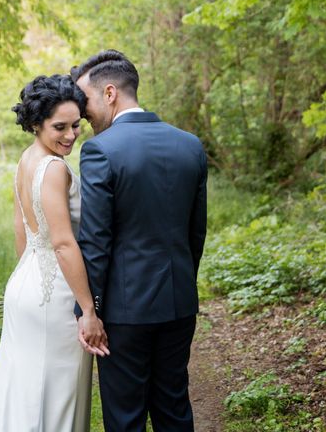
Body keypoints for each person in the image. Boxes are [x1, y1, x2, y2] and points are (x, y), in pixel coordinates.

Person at [72, 50, 208, 432]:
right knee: (174, 407)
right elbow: (196, 232)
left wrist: (90, 311)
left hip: (123, 310)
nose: (85, 114)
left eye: (87, 103)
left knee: (126, 416)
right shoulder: (190, 145)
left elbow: (96, 240)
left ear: (110, 93)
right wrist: (181, 281)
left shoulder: (100, 150)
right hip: (179, 301)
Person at [0, 74, 109, 432]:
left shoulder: (26, 159)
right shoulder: (55, 169)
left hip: (25, 286)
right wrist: (88, 311)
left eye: (76, 124)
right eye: (59, 127)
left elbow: (22, 231)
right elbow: (62, 243)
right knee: (55, 395)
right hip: (56, 296)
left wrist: (32, 276)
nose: (71, 135)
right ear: (35, 124)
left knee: (22, 389)